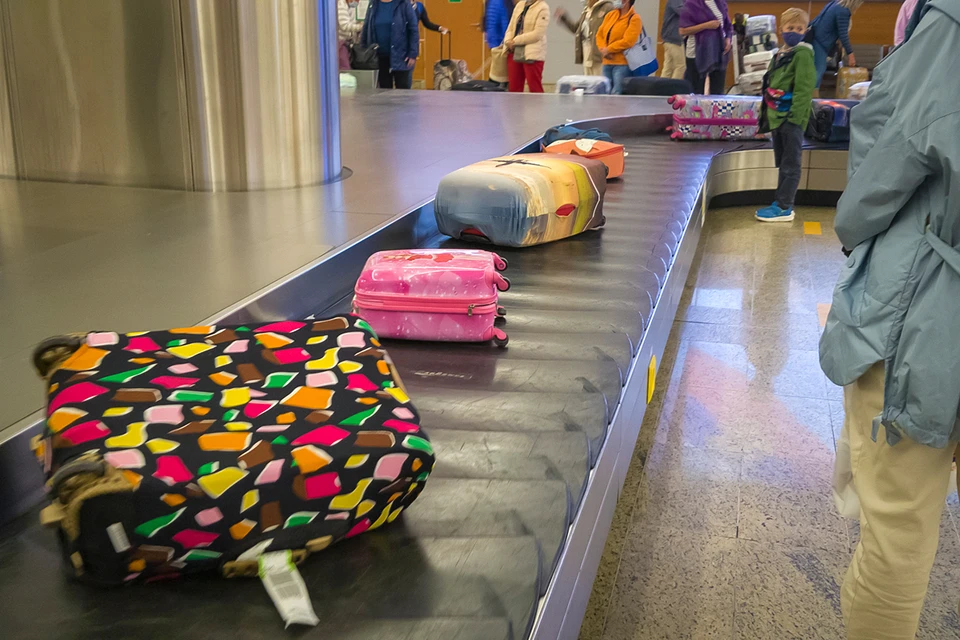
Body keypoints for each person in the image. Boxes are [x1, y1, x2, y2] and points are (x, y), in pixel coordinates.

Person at [818, 0, 960, 637]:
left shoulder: (949, 25)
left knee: (899, 527)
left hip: (930, 308)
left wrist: (851, 228)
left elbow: (889, 161)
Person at [755, 8, 815, 223]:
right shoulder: (780, 54)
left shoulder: (803, 55)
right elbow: (769, 85)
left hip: (791, 118)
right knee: (783, 162)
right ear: (781, 30)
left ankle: (784, 206)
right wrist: (764, 120)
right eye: (790, 28)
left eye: (799, 29)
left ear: (805, 31)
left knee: (791, 164)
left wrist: (795, 118)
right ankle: (779, 201)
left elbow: (804, 89)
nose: (794, 32)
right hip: (777, 117)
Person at [362, 0, 419, 89]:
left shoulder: (404, 4)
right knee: (383, 91)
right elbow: (366, 27)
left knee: (403, 90)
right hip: (378, 57)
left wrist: (413, 53)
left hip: (401, 56)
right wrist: (363, 49)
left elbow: (413, 29)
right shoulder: (373, 3)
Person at [679, 0, 733, 94]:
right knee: (695, 91)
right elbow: (682, 30)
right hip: (697, 53)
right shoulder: (691, 4)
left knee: (718, 91)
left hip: (718, 52)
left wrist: (728, 39)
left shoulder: (720, 3)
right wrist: (706, 25)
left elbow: (727, 25)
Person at [808, 0, 863, 88]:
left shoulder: (834, 3)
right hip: (820, 43)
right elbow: (843, 35)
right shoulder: (843, 10)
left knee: (815, 73)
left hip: (814, 38)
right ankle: (810, 95)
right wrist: (851, 55)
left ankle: (812, 94)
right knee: (817, 73)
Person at [555, 0, 615, 77]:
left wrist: (609, 49)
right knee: (588, 81)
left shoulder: (607, 7)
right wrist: (563, 18)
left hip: (600, 56)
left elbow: (612, 31)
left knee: (599, 81)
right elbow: (576, 29)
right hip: (586, 53)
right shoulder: (586, 10)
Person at [596, 0, 642, 94]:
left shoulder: (634, 18)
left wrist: (609, 49)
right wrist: (603, 49)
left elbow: (628, 41)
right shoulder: (610, 15)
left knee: (617, 92)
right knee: (605, 92)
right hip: (607, 61)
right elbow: (599, 35)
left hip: (622, 64)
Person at [504, 0, 550, 93]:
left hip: (532, 54)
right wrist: (508, 40)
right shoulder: (520, 5)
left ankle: (538, 104)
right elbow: (511, 27)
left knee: (534, 87)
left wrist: (516, 40)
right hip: (514, 51)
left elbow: (537, 34)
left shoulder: (543, 7)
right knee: (514, 88)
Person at [660, 0, 687, 79]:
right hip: (673, 38)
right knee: (681, 66)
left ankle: (662, 86)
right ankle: (674, 86)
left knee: (669, 68)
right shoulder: (676, 1)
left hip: (670, 37)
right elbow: (683, 13)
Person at [338, 0, 363, 70]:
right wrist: (361, 27)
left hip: (348, 43)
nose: (357, 2)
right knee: (345, 67)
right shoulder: (341, 6)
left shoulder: (350, 7)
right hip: (341, 42)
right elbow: (345, 26)